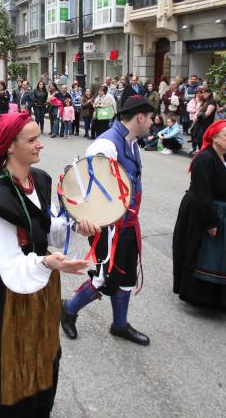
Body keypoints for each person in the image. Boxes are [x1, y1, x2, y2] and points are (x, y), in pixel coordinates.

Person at [0, 112, 96, 417]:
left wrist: (74, 228)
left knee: (39, 353)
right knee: (10, 362)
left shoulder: (38, 179)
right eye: (32, 140)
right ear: (10, 146)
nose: (41, 145)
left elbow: (45, 227)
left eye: (39, 137)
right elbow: (11, 264)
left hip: (41, 276)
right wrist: (49, 263)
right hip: (9, 288)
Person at [61, 96, 155, 346]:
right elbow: (84, 188)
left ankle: (120, 325)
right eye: (151, 117)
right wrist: (87, 223)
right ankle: (68, 310)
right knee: (104, 277)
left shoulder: (132, 142)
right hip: (108, 226)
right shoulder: (106, 145)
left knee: (126, 277)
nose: (152, 122)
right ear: (140, 117)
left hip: (128, 223)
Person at [172, 120, 226, 314]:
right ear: (215, 138)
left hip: (222, 212)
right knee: (205, 254)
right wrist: (210, 222)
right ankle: (204, 297)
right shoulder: (204, 159)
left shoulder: (225, 158)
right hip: (202, 211)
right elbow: (202, 192)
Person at [190, 88, 217, 156]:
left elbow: (207, 114)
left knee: (202, 138)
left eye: (204, 93)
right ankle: (198, 150)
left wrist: (200, 114)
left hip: (206, 123)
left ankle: (203, 153)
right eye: (203, 93)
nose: (203, 94)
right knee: (196, 135)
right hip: (200, 122)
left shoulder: (212, 102)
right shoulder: (205, 101)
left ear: (209, 93)